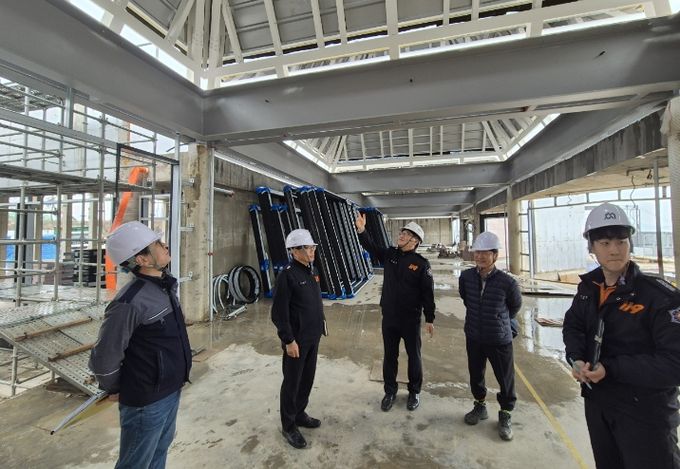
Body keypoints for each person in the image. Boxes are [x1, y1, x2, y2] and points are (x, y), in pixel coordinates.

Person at [563, 202, 680, 469]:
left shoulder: (658, 297)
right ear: (592, 247)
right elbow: (573, 326)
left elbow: (675, 363)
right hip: (598, 404)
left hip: (645, 414)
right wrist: (576, 358)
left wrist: (611, 369)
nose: (614, 250)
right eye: (604, 243)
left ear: (630, 243)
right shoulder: (588, 289)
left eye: (621, 241)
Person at [89, 221, 192, 469]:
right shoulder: (130, 302)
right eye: (157, 244)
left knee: (158, 452)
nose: (165, 246)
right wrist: (116, 387)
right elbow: (104, 358)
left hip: (169, 389)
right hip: (147, 401)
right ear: (142, 259)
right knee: (136, 463)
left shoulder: (165, 287)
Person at [355, 215, 435, 412]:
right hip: (389, 317)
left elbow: (428, 293)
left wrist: (429, 318)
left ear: (415, 241)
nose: (401, 236)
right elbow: (371, 247)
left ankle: (414, 392)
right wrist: (362, 230)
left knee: (414, 356)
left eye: (407, 234)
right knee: (390, 355)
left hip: (410, 319)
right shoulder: (390, 254)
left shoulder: (421, 264)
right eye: (402, 232)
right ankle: (390, 391)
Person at [459, 231, 521, 441]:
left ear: (495, 255)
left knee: (505, 378)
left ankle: (505, 413)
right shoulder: (466, 277)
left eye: (485, 253)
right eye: (477, 252)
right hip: (474, 335)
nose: (480, 257)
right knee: (476, 374)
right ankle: (480, 406)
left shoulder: (508, 283)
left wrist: (497, 319)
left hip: (498, 338)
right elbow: (466, 299)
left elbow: (514, 307)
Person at [271, 229, 326, 449]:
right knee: (292, 383)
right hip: (297, 341)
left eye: (313, 247)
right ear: (294, 250)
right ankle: (289, 426)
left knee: (307, 379)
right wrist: (288, 340)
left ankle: (300, 413)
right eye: (307, 248)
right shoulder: (287, 276)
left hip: (313, 337)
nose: (312, 251)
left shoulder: (312, 271)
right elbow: (279, 314)